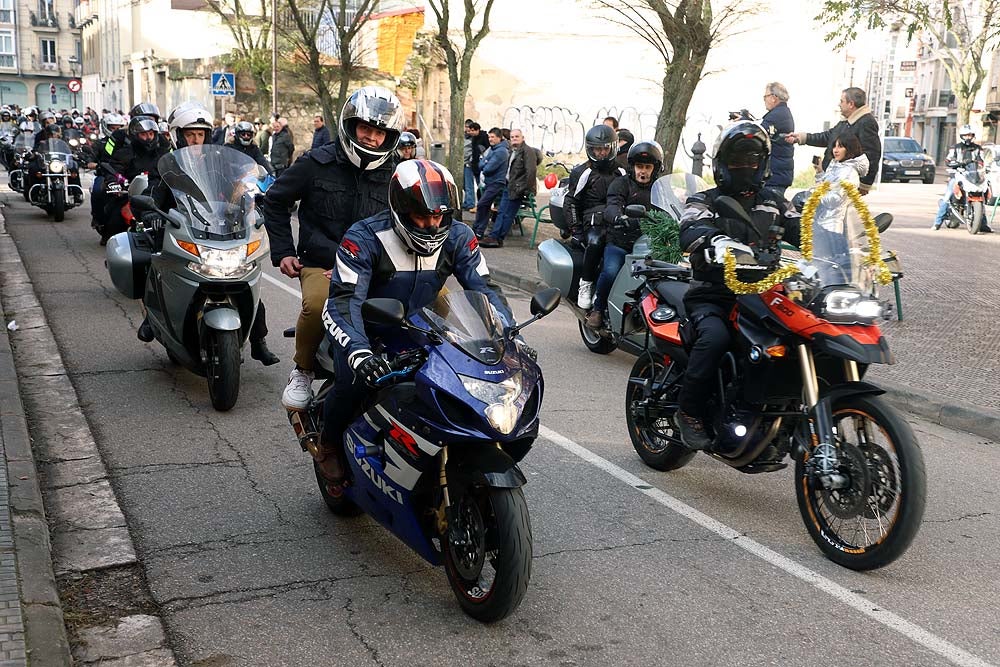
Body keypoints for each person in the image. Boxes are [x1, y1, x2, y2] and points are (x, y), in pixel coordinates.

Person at [314, 159, 515, 492]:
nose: (432, 225)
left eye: (439, 216)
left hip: (425, 328)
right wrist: (359, 352)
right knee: (353, 384)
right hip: (367, 331)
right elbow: (343, 302)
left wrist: (507, 335)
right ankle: (329, 444)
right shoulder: (363, 237)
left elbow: (484, 288)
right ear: (400, 210)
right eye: (422, 216)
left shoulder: (459, 236)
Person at [262, 85, 402, 410]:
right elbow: (275, 200)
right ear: (351, 126)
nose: (371, 137)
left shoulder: (396, 174)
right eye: (365, 128)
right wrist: (283, 251)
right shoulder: (316, 163)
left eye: (380, 132)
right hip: (321, 260)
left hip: (376, 264)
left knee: (434, 297)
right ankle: (303, 369)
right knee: (318, 304)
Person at [676, 121, 801, 451]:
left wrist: (841, 242)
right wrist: (712, 239)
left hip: (764, 295)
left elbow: (804, 232)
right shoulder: (706, 200)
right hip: (714, 294)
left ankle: (773, 411)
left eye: (753, 161)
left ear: (763, 164)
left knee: (795, 338)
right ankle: (689, 413)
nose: (746, 167)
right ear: (721, 164)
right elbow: (689, 230)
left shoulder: (774, 202)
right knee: (715, 338)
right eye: (737, 161)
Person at [587, 141, 662, 327]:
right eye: (639, 166)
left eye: (647, 167)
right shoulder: (620, 184)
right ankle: (597, 308)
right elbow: (611, 206)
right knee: (611, 271)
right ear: (632, 167)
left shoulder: (659, 189)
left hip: (649, 245)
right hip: (621, 243)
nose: (643, 171)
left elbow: (670, 209)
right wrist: (619, 218)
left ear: (655, 169)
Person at [568, 124, 627, 309]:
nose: (601, 153)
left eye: (605, 148)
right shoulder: (582, 172)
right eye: (597, 149)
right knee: (595, 241)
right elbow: (571, 202)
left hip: (616, 217)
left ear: (613, 148)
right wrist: (576, 230)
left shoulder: (623, 171)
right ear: (590, 149)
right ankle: (585, 284)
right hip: (591, 219)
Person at [785, 87, 880, 195]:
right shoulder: (845, 122)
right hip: (832, 179)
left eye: (841, 101)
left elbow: (872, 155)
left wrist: (864, 184)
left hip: (846, 183)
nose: (839, 104)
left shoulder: (866, 123)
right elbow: (828, 137)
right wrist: (802, 137)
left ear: (851, 104)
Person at [480, 129, 541, 247]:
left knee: (508, 214)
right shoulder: (513, 151)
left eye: (517, 136)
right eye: (512, 137)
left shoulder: (527, 151)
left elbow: (531, 172)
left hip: (516, 188)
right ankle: (494, 237)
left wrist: (522, 189)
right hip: (509, 185)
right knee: (502, 212)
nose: (514, 139)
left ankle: (498, 238)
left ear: (523, 137)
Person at [933, 125, 991, 231]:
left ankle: (983, 224)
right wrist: (954, 163)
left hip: (973, 175)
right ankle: (937, 222)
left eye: (970, 135)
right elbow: (948, 159)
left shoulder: (978, 148)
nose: (968, 137)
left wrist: (985, 167)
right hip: (958, 174)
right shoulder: (955, 148)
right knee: (947, 197)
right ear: (962, 136)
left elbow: (982, 160)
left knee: (981, 195)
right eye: (966, 135)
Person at [472, 127, 510, 238]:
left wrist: (485, 162)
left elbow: (488, 168)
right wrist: (485, 162)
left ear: (499, 138)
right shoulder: (493, 149)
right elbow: (481, 165)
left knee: (482, 204)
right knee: (485, 206)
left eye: (493, 137)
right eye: (489, 137)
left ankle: (478, 229)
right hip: (490, 182)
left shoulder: (501, 151)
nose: (490, 139)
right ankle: (479, 231)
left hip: (496, 182)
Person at [760, 82, 794, 198]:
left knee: (768, 211)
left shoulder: (776, 115)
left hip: (774, 175)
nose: (764, 100)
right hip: (779, 173)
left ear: (774, 98)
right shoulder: (782, 113)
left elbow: (760, 133)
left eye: (765, 97)